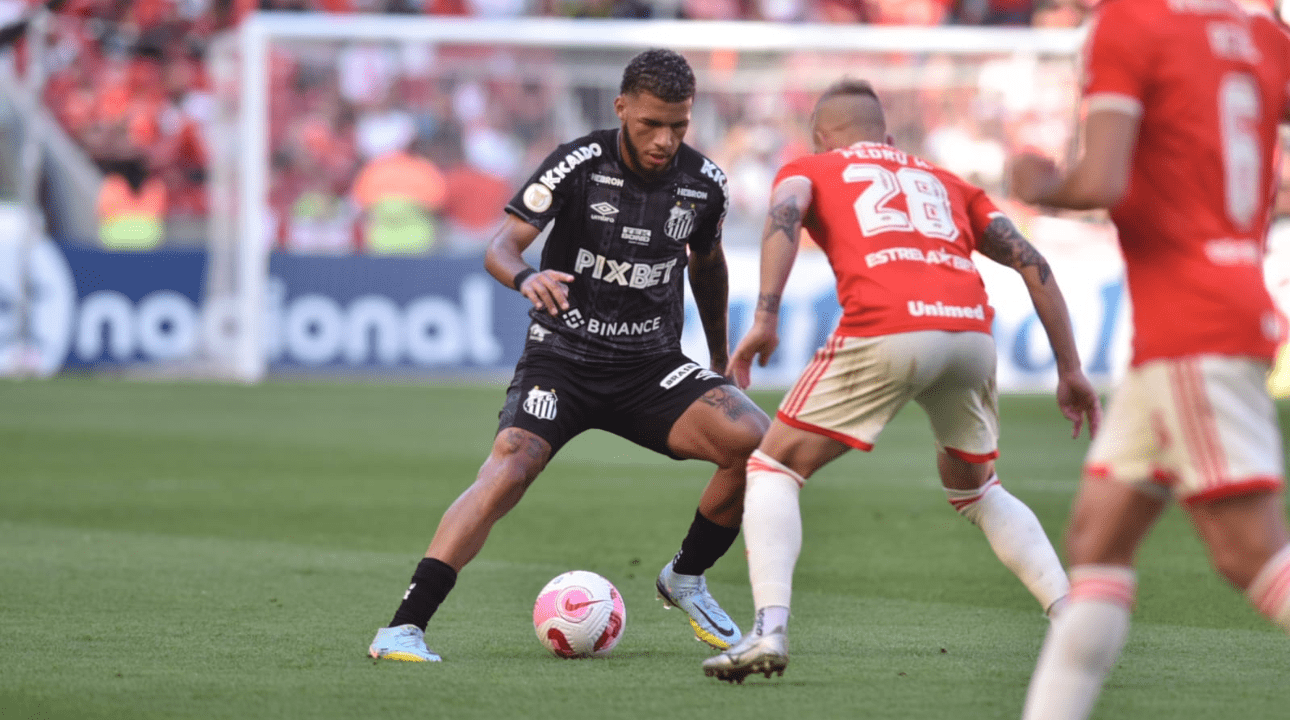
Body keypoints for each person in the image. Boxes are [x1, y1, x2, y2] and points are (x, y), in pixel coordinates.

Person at [368, 48, 770, 662]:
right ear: (622, 109)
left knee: (756, 443)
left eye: (678, 126)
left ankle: (685, 576)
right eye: (650, 125)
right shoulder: (579, 164)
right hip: (565, 353)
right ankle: (404, 626)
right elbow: (501, 246)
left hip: (649, 364)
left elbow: (706, 267)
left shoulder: (703, 184)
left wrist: (719, 358)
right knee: (510, 465)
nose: (664, 140)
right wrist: (525, 277)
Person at [700, 79, 1102, 683]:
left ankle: (769, 631)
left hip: (886, 326)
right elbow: (1033, 262)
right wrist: (1070, 369)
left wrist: (764, 317)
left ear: (819, 137)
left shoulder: (811, 166)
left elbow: (784, 214)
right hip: (970, 333)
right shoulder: (947, 180)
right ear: (886, 137)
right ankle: (1070, 618)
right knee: (977, 489)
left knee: (773, 467)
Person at [1008, 3, 1290, 718]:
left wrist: (1041, 184)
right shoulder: (1259, 29)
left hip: (1191, 324)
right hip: (1214, 307)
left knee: (1249, 555)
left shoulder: (1130, 23)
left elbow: (1100, 182)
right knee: (1098, 537)